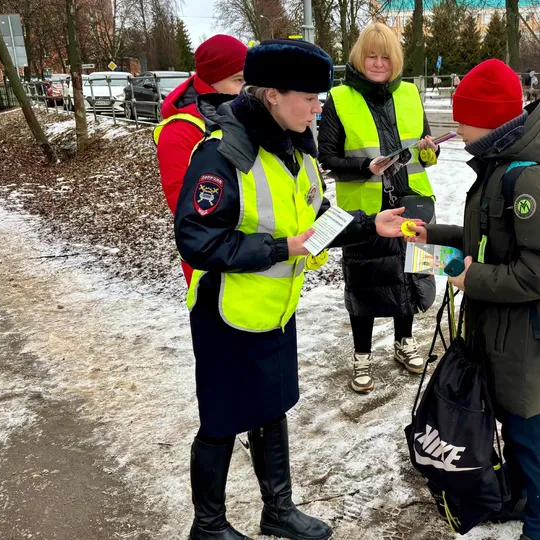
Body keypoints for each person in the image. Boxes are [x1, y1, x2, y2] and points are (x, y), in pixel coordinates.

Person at [174, 39, 421, 540]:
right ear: (272, 95)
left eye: (319, 99)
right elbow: (197, 240)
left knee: (273, 407)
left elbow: (317, 219)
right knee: (222, 419)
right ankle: (209, 526)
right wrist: (280, 248)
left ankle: (278, 510)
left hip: (277, 309)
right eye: (309, 99)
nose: (317, 109)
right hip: (226, 313)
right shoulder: (222, 153)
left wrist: (372, 224)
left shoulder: (295, 150)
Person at [407, 59, 540, 540]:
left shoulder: (527, 179)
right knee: (512, 424)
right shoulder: (497, 166)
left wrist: (472, 278)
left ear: (488, 120)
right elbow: (487, 240)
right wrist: (433, 235)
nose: (456, 128)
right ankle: (520, 498)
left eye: (463, 119)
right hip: (499, 326)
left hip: (527, 334)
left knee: (530, 431)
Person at [318, 22, 440, 394]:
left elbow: (425, 152)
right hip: (365, 213)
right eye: (371, 56)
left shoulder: (410, 93)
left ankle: (405, 341)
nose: (378, 63)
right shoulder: (339, 98)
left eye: (385, 57)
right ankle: (362, 356)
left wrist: (430, 151)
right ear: (359, 57)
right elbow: (327, 158)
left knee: (413, 276)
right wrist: (364, 167)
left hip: (414, 201)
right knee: (364, 285)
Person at [155, 34, 247, 285]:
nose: (246, 88)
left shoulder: (240, 115)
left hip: (254, 250)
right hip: (213, 258)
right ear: (211, 81)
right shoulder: (180, 130)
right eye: (239, 80)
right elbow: (188, 206)